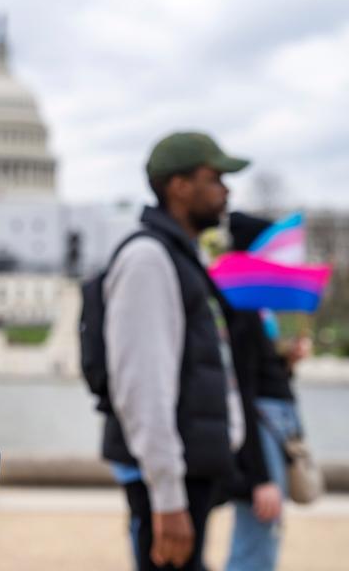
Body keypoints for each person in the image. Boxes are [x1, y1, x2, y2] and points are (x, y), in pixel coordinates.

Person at [101, 131, 249, 570]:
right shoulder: (149, 259)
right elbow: (143, 385)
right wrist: (168, 498)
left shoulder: (178, 257)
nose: (226, 189)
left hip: (186, 469)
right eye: (214, 177)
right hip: (167, 478)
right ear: (179, 186)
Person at [224, 212, 310, 571]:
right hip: (262, 430)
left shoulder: (254, 309)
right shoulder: (243, 310)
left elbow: (254, 377)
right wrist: (258, 478)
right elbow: (242, 392)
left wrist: (285, 363)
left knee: (261, 536)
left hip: (270, 426)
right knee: (257, 539)